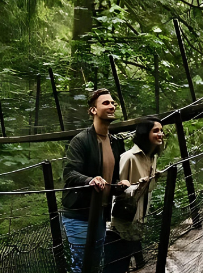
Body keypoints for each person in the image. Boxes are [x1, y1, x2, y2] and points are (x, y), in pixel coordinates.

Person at [62, 88, 129, 273]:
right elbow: (69, 173)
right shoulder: (81, 140)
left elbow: (112, 177)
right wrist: (90, 180)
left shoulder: (116, 142)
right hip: (79, 215)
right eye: (106, 103)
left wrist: (119, 185)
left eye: (113, 103)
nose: (112, 106)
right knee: (82, 266)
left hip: (100, 214)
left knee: (95, 265)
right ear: (93, 110)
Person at [104, 118, 165, 273]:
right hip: (120, 223)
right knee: (115, 265)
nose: (161, 134)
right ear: (145, 134)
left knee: (125, 265)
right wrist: (138, 185)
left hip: (138, 219)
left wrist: (153, 179)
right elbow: (118, 190)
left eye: (161, 130)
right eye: (156, 130)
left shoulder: (152, 157)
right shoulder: (129, 157)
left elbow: (148, 189)